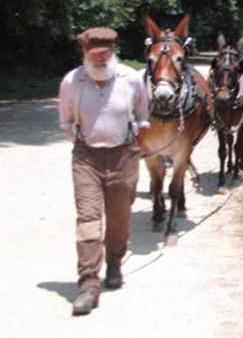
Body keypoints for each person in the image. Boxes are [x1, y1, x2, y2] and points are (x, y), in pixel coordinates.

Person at [58, 27, 150, 316]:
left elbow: (143, 117)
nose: (99, 60)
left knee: (120, 219)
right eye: (93, 55)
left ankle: (114, 264)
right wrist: (88, 145)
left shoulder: (131, 79)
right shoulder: (73, 81)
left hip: (124, 156)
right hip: (86, 158)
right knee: (88, 219)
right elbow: (66, 122)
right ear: (84, 54)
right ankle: (88, 284)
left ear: (113, 53)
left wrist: (129, 145)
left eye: (104, 55)